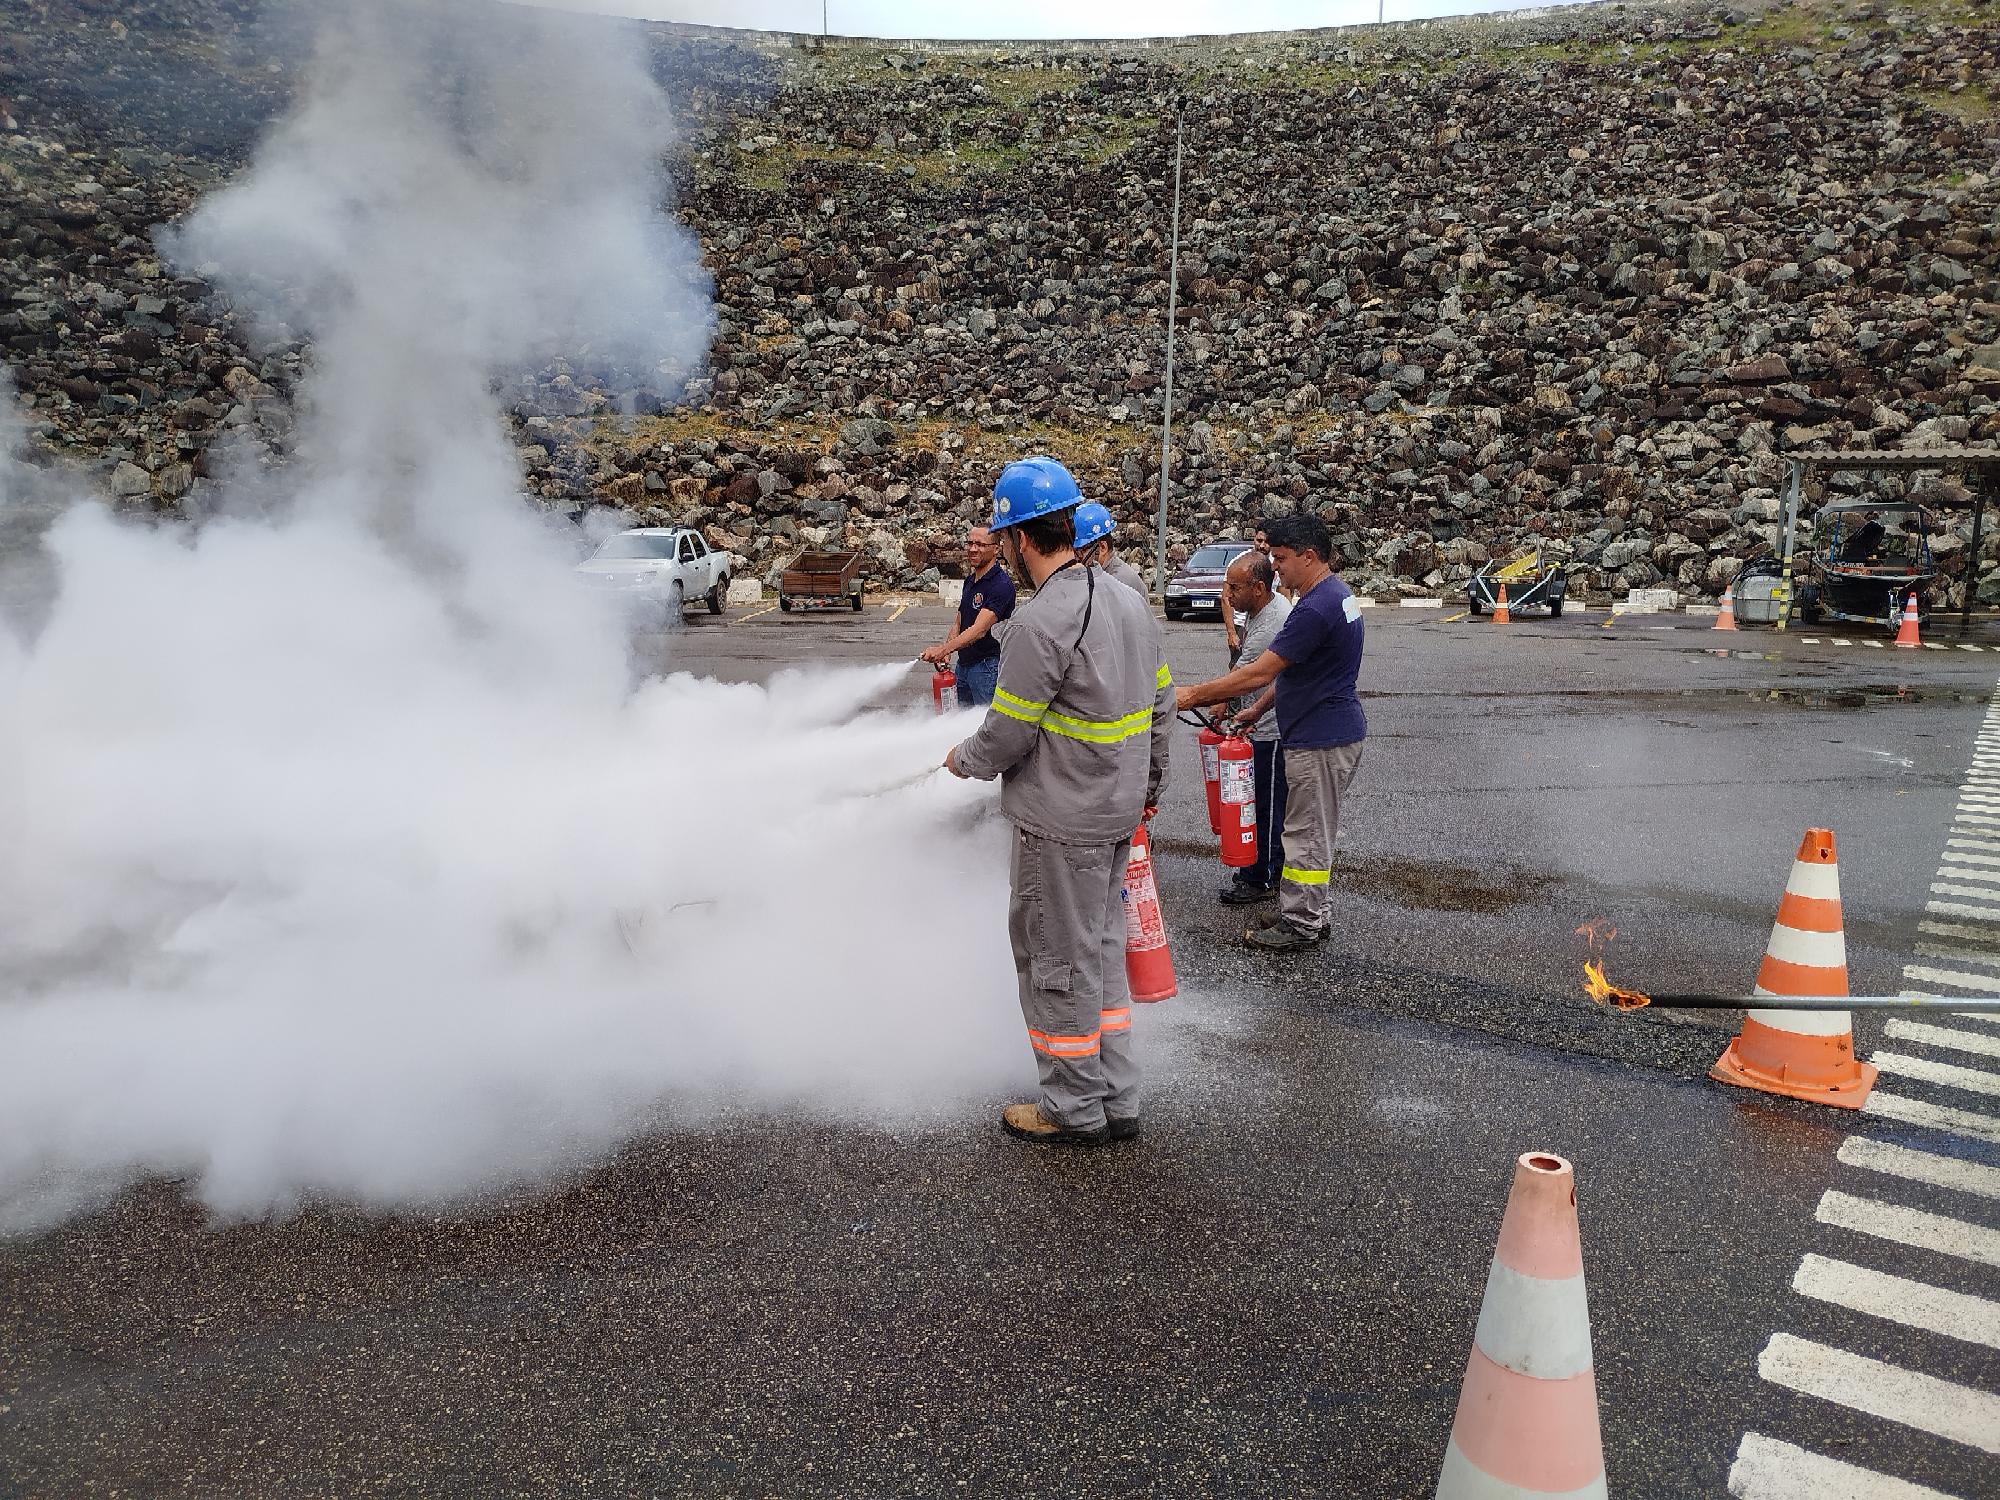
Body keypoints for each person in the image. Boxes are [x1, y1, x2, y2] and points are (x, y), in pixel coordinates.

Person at [945, 457, 1173, 1146]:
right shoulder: (1129, 599)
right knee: (1101, 955)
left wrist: (965, 760)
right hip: (1116, 815)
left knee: (1054, 961)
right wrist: (1149, 789)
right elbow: (1161, 704)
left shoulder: (1042, 621)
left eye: (1002, 538)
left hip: (1060, 824)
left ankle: (1071, 1108)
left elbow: (1008, 733)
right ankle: (1118, 1097)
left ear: (1017, 539)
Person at [1175, 512, 1364, 953]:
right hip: (1324, 733)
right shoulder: (1335, 596)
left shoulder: (1315, 608)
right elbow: (1291, 676)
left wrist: (1190, 696)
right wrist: (1256, 712)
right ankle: (1311, 912)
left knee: (1305, 834)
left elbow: (1260, 671)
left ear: (1309, 556)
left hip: (1321, 739)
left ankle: (1301, 922)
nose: (1274, 566)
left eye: (1280, 558)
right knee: (1312, 830)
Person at [1215, 549, 1291, 907]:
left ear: (1258, 588)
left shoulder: (1273, 623)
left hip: (1272, 732)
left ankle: (1263, 876)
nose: (1227, 595)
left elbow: (1243, 678)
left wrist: (1196, 699)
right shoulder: (1258, 613)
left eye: (1234, 587)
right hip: (1255, 723)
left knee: (1266, 806)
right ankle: (1256, 868)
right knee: (1253, 803)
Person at [921, 524, 1015, 706]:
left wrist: (943, 650)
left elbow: (979, 630)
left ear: (996, 549)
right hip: (963, 666)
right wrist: (946, 651)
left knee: (983, 725)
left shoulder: (1001, 585)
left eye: (980, 544)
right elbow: (960, 620)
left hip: (987, 667)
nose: (972, 549)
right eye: (970, 543)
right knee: (961, 721)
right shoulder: (970, 581)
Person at [1073, 501, 1149, 598]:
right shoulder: (1103, 575)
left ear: (1102, 547)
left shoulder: (1118, 582)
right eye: (1074, 551)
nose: (1077, 558)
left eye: (1081, 551)